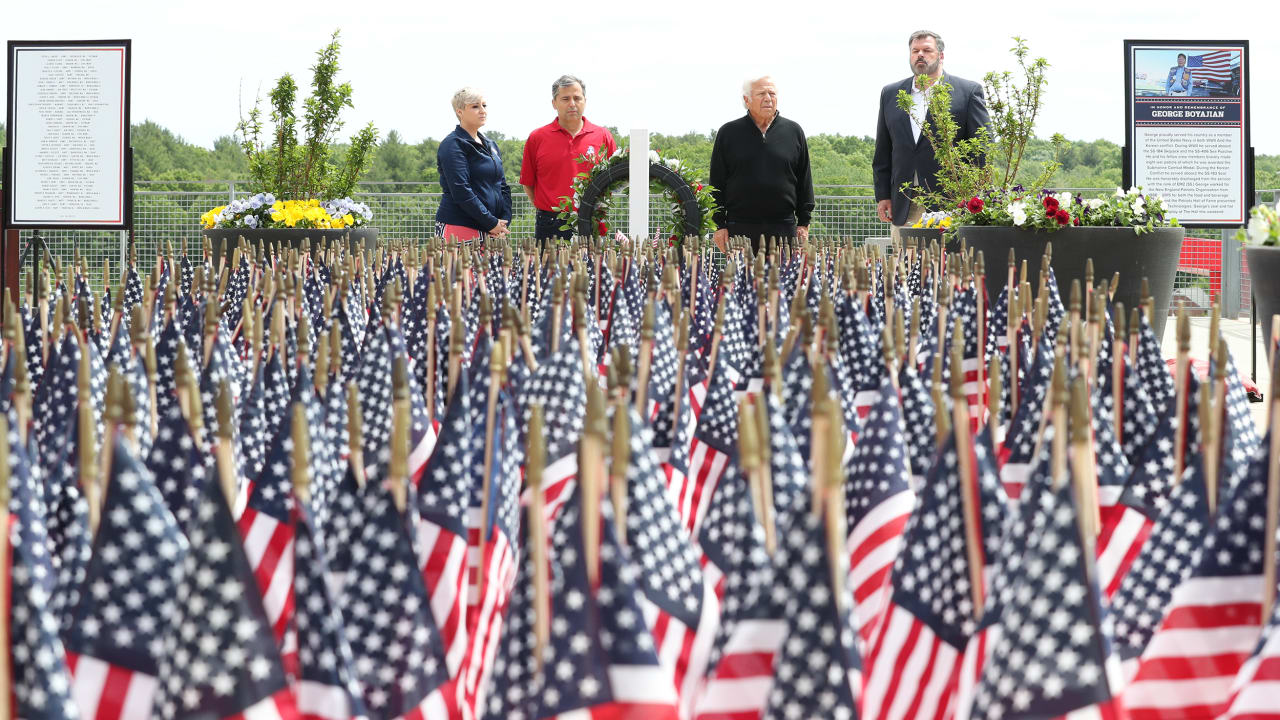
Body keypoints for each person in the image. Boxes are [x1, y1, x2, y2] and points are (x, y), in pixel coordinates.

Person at [873, 30, 991, 242]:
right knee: (904, 260)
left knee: (947, 260)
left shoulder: (967, 92)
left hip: (951, 202)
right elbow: (883, 149)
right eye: (915, 51)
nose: (920, 55)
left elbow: (982, 148)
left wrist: (974, 196)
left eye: (927, 50)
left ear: (941, 55)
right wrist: (882, 195)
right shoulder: (891, 93)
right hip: (904, 202)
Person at [710, 76, 814, 253]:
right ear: (747, 100)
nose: (768, 98)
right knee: (742, 272)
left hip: (784, 228)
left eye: (772, 93)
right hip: (739, 228)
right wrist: (719, 225)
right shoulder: (728, 133)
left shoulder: (794, 131)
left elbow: (805, 180)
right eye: (761, 94)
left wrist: (804, 222)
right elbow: (716, 183)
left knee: (784, 272)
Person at [520, 75, 618, 244]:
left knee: (593, 263)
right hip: (550, 224)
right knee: (548, 263)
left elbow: (615, 179)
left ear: (585, 101)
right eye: (565, 99)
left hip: (593, 220)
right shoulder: (537, 138)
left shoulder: (603, 136)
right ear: (554, 103)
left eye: (577, 98)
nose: (572, 103)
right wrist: (547, 209)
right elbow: (528, 182)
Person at [435, 87, 512, 244]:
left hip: (494, 230)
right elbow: (461, 190)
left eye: (484, 105)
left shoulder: (491, 144)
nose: (482, 110)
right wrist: (491, 222)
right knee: (460, 262)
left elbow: (502, 186)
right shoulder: (453, 144)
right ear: (460, 112)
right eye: (475, 106)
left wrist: (504, 220)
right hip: (461, 226)